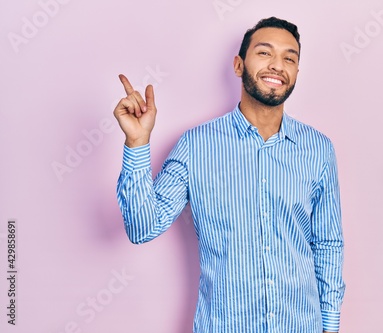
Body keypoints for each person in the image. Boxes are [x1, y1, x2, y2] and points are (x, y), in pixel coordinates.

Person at [113, 17, 345, 333]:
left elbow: (328, 243)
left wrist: (330, 327)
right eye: (265, 53)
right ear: (239, 65)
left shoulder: (318, 149)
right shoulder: (196, 146)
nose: (278, 65)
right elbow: (142, 227)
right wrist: (137, 143)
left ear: (296, 74)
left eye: (289, 58)